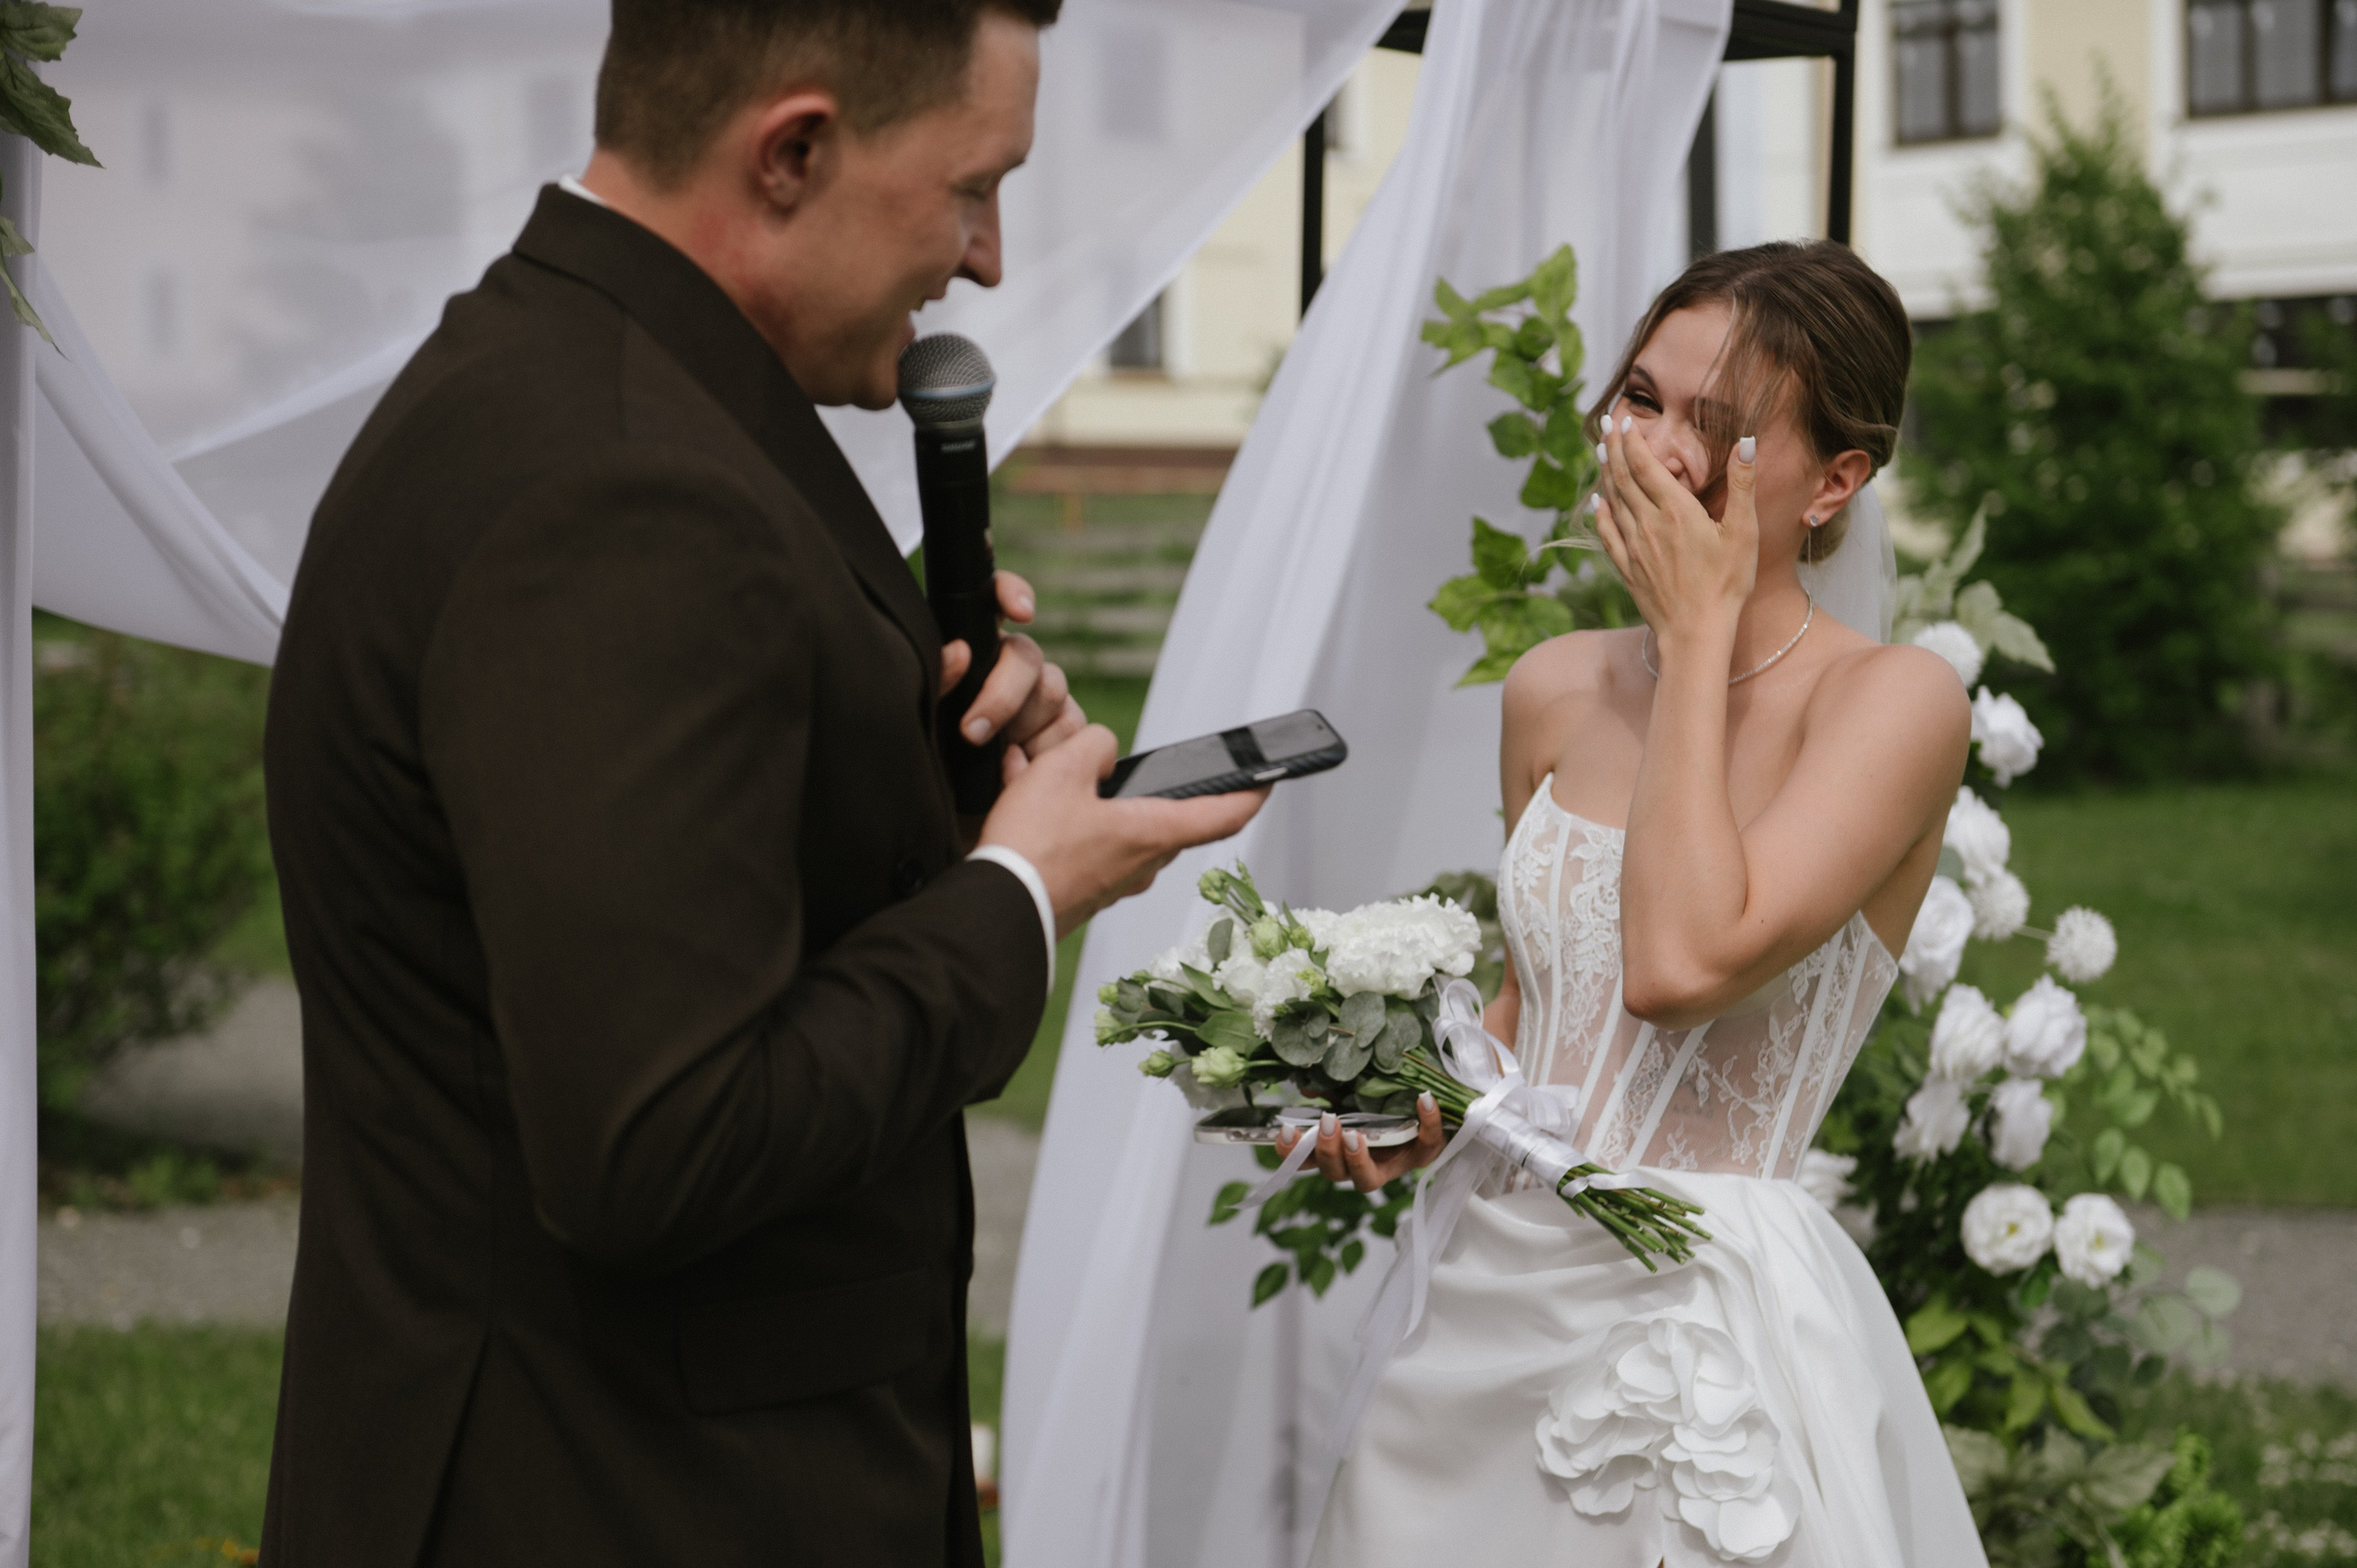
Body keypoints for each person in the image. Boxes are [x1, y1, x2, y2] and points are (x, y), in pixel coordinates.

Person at [259, 2, 1261, 1563]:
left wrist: (926, 797)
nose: (989, 260)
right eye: (973, 187)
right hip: (620, 1493)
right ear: (792, 150)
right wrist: (1021, 892)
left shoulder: (554, 367)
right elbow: (663, 1138)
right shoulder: (625, 484)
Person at [1292, 242, 1988, 1566]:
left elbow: (1677, 966)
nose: (1657, 451)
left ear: (1835, 483)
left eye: (1716, 427)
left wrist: (1698, 636)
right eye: (1641, 398)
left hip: (1693, 1348)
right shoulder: (1553, 687)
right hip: (1479, 1318)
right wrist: (1408, 1109)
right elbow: (1537, 1011)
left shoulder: (1895, 705)